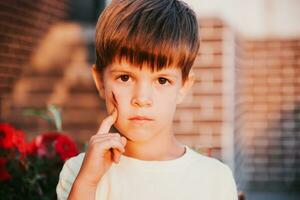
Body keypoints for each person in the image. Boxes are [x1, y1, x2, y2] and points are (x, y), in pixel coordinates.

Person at [56, 0, 238, 199]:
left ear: (184, 86)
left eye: (162, 80)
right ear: (100, 82)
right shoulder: (80, 174)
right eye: (124, 78)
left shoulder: (215, 179)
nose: (142, 99)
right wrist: (88, 183)